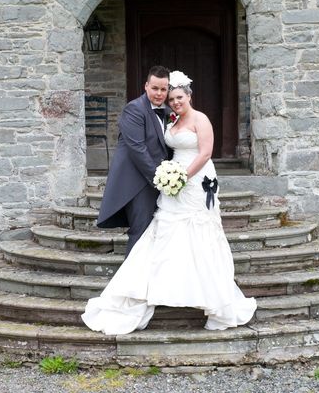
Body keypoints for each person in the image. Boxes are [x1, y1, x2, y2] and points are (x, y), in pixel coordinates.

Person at [83, 70, 257, 334]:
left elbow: (206, 152)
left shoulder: (199, 118)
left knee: (197, 234)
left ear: (188, 95)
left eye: (175, 95)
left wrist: (182, 176)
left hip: (193, 181)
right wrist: (165, 177)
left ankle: (207, 296)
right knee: (160, 232)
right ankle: (146, 290)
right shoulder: (154, 115)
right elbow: (143, 148)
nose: (171, 100)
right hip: (163, 181)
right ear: (147, 86)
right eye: (165, 93)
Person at [96, 65, 173, 254]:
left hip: (158, 181)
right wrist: (160, 180)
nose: (159, 93)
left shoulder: (169, 111)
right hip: (137, 184)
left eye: (163, 89)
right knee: (141, 231)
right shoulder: (134, 109)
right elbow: (138, 149)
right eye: (155, 88)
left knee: (158, 232)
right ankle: (131, 282)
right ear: (146, 86)